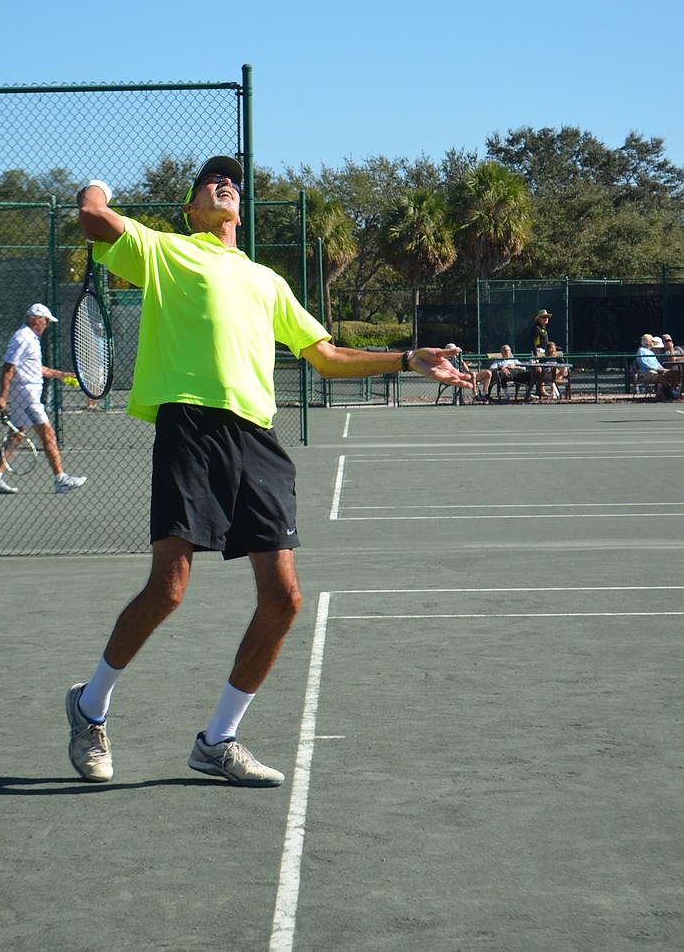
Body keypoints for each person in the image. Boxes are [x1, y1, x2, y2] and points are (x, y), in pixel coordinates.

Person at [66, 157, 472, 787]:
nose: (224, 184)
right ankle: (90, 707)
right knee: (169, 589)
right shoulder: (167, 253)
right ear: (192, 208)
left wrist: (407, 358)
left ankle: (218, 739)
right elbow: (94, 216)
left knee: (284, 599)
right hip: (190, 428)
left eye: (232, 182)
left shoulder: (267, 281)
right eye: (210, 182)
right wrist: (100, 183)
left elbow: (328, 356)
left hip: (256, 438)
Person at [0, 303, 88, 495]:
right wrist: (2, 396)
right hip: (26, 396)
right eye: (46, 321)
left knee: (16, 435)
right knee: (48, 433)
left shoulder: (31, 339)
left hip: (27, 395)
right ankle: (60, 479)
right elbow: (8, 367)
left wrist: (61, 374)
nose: (46, 325)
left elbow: (36, 368)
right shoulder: (22, 338)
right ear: (37, 319)